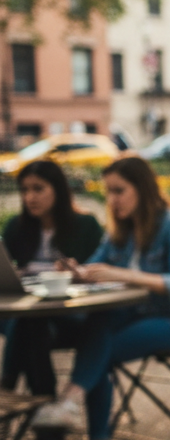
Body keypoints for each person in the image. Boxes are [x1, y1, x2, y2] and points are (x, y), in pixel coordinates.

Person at [30, 155, 170, 440]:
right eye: (107, 192)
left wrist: (122, 274)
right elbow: (97, 265)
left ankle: (85, 424)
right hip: (133, 315)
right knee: (96, 326)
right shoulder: (121, 231)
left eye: (119, 191)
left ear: (142, 188)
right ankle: (80, 421)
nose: (111, 200)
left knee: (102, 349)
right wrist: (77, 272)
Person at [1, 160, 104, 394]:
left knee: (28, 323)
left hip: (69, 314)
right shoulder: (17, 228)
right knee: (31, 322)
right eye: (25, 190)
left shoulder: (85, 226)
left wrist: (77, 274)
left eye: (38, 189)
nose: (30, 197)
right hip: (28, 317)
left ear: (58, 189)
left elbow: (98, 272)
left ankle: (8, 386)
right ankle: (44, 409)